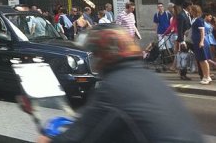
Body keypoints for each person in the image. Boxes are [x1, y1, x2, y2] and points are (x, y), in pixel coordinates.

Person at [36, 24, 204, 143]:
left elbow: (81, 136)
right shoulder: (150, 78)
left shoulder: (112, 89)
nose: (94, 61)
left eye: (95, 54)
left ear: (103, 55)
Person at [190, 5, 212, 84]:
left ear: (195, 11)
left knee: (203, 60)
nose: (190, 11)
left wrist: (201, 41)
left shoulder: (199, 20)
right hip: (196, 42)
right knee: (200, 60)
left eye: (191, 10)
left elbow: (202, 32)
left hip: (200, 42)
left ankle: (207, 76)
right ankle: (205, 76)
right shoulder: (194, 19)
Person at [176, 1, 192, 80]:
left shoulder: (188, 14)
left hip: (190, 39)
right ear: (187, 6)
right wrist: (182, 41)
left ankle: (203, 74)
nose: (191, 8)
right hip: (185, 40)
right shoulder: (181, 15)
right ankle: (183, 74)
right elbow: (180, 29)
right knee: (184, 56)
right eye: (191, 6)